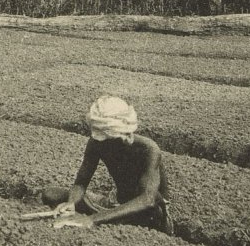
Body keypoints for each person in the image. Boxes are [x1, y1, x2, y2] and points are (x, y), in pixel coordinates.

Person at [43, 95, 174, 234]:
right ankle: (110, 217)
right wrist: (71, 203)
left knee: (150, 210)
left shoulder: (149, 149)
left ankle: (110, 219)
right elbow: (81, 183)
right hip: (116, 204)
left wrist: (92, 219)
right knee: (51, 194)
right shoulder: (97, 143)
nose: (128, 139)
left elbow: (148, 199)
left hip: (145, 211)